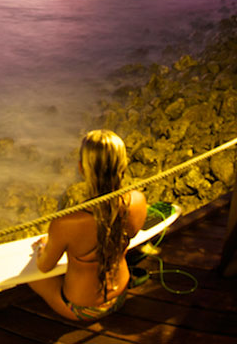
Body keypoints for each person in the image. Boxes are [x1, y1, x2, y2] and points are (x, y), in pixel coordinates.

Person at [29, 129, 148, 321]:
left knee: (32, 277)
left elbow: (44, 267)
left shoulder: (66, 222)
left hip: (82, 309)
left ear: (81, 169)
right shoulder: (138, 201)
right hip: (121, 294)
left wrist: (44, 246)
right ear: (123, 165)